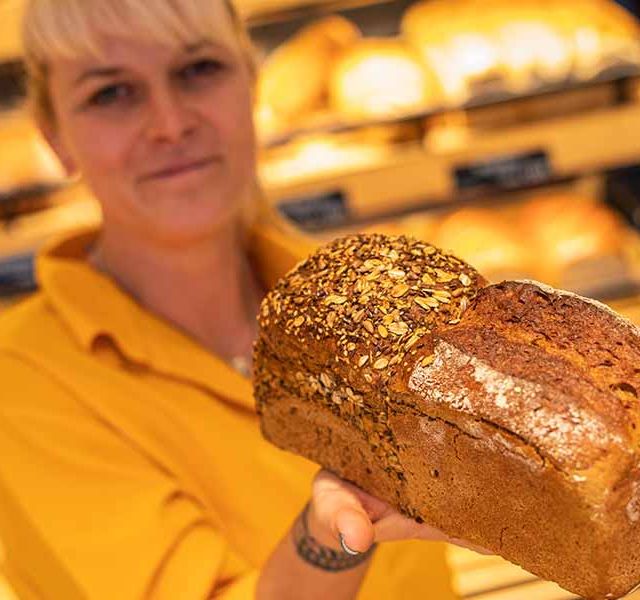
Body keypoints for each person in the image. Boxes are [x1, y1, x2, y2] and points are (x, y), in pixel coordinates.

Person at [0, 0, 483, 598]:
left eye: (198, 69)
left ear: (250, 86)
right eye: (112, 94)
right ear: (56, 138)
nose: (171, 123)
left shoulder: (361, 303)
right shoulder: (23, 383)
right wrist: (332, 534)